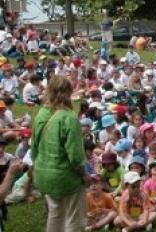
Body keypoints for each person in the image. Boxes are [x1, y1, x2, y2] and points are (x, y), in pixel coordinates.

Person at [32, 75, 90, 232]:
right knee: (74, 219)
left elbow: (34, 148)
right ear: (69, 92)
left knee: (55, 214)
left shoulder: (41, 114)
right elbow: (76, 157)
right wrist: (85, 176)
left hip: (43, 174)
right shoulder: (69, 118)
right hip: (65, 178)